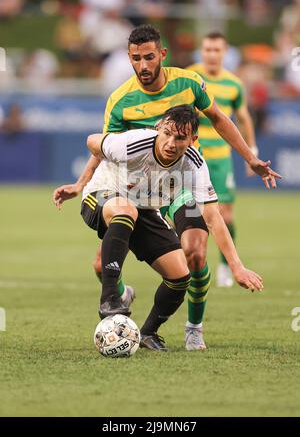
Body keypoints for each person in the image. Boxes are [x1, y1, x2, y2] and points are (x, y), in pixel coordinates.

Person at [53, 24, 280, 351]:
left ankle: (192, 327)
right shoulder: (122, 104)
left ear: (162, 55)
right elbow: (100, 146)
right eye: (135, 59)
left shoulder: (188, 87)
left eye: (148, 57)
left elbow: (218, 120)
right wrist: (80, 184)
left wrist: (250, 158)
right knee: (104, 261)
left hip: (177, 185)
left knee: (193, 256)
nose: (143, 66)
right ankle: (115, 298)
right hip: (130, 189)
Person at [79, 105, 263, 351]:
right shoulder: (133, 143)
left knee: (180, 276)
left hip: (144, 208)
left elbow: (213, 217)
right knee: (125, 210)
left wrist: (236, 267)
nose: (170, 143)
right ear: (158, 129)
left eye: (180, 138)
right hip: (101, 196)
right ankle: (111, 298)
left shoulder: (194, 165)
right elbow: (93, 141)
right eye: (166, 134)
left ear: (192, 140)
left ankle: (147, 333)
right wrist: (82, 181)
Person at [187, 31, 257, 288]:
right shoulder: (190, 77)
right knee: (189, 214)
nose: (212, 54)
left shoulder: (234, 84)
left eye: (217, 50)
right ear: (201, 51)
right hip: (192, 157)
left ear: (225, 53)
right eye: (207, 49)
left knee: (224, 215)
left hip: (221, 158)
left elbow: (244, 117)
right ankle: (189, 264)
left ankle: (226, 267)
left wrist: (253, 152)